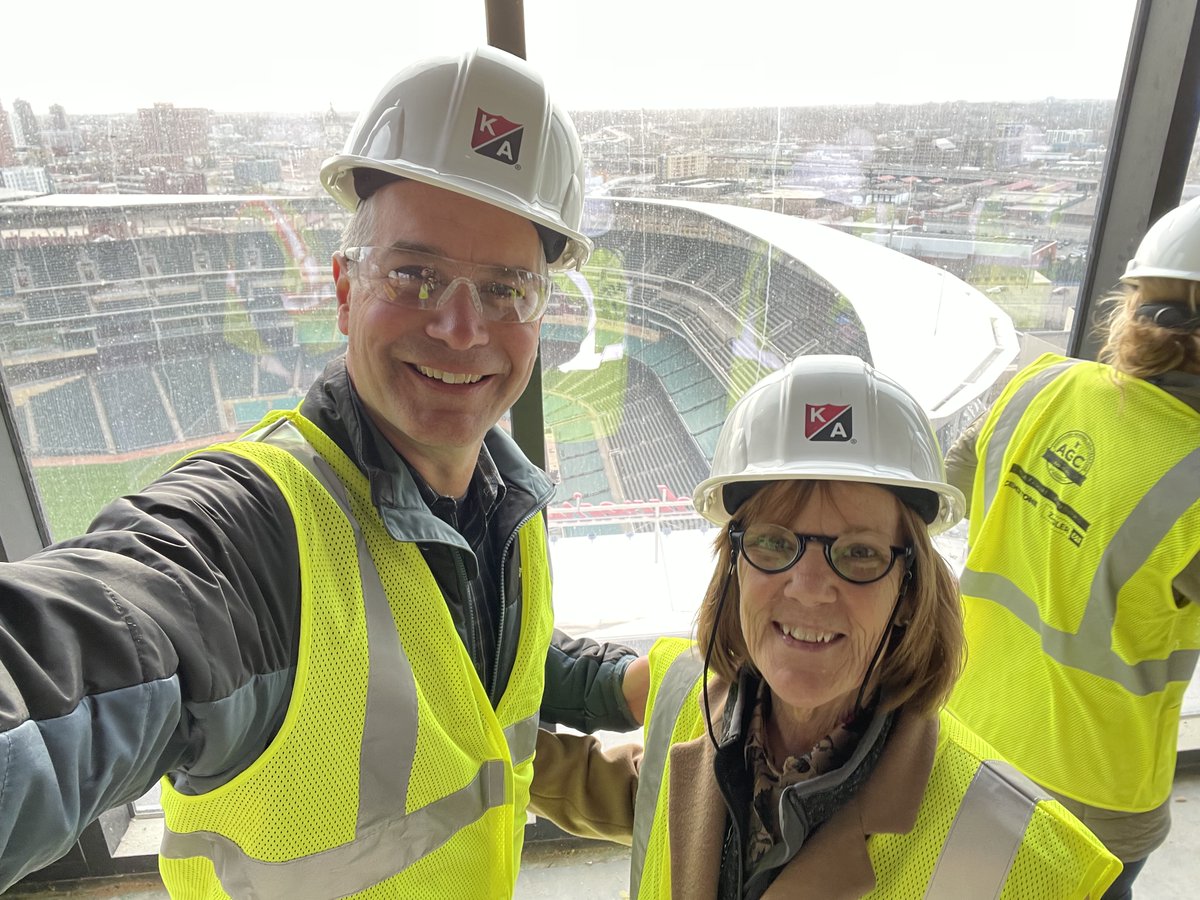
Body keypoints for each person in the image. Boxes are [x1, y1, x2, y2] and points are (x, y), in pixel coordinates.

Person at [0, 46, 647, 896]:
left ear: (540, 313)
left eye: (503, 289)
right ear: (345, 291)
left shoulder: (501, 507)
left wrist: (619, 682)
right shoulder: (256, 539)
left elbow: (468, 658)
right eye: (415, 274)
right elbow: (92, 642)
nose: (460, 327)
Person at [530, 354, 1122, 899]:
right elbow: (656, 799)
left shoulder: (1024, 855)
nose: (809, 587)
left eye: (860, 553)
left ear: (910, 589)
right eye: (774, 542)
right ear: (734, 563)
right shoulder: (689, 693)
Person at [943, 195, 1200, 900]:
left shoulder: (1040, 386)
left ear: (1134, 303)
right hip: (1093, 789)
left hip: (968, 732)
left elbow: (932, 499)